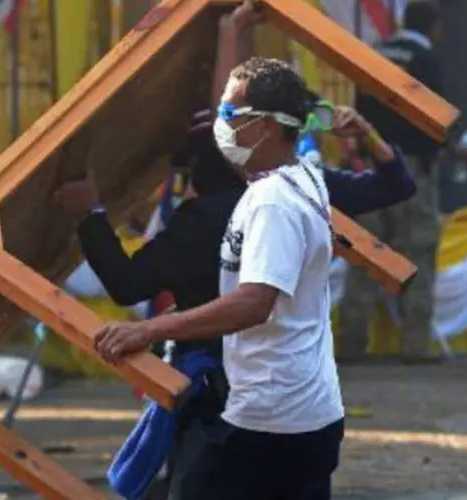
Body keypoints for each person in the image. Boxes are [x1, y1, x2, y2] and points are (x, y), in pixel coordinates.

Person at [54, 3, 416, 499]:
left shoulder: (256, 205)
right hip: (310, 408)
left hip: (258, 414)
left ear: (262, 128)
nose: (223, 123)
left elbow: (250, 301)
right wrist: (233, 32)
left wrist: (147, 324)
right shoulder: (310, 180)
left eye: (230, 114)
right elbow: (395, 185)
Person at [353, 0, 444, 359]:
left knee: (367, 255)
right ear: (434, 26)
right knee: (418, 251)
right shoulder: (426, 60)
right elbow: (436, 121)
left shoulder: (375, 56)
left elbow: (359, 112)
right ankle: (415, 344)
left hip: (373, 171)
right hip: (413, 173)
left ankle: (351, 341)